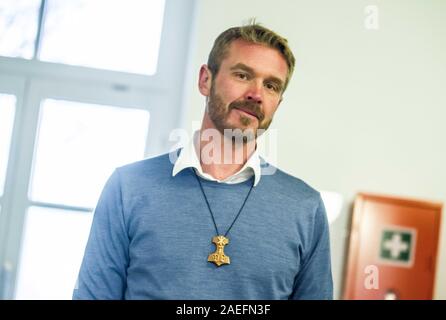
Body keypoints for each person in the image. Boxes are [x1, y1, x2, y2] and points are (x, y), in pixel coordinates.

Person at [73, 22, 333, 300]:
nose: (256, 94)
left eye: (271, 86)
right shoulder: (128, 187)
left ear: (278, 104)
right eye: (243, 75)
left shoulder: (306, 208)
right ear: (205, 80)